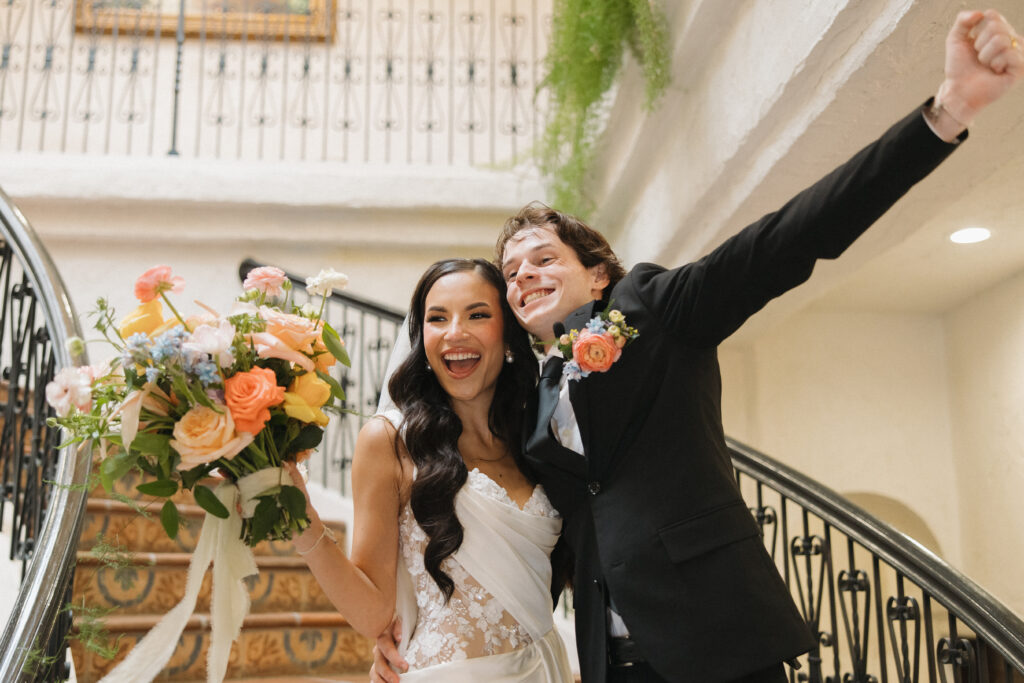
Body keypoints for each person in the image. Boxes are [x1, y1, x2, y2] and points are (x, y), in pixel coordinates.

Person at [373, 9, 1024, 683]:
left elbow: (788, 239)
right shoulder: (531, 396)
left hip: (718, 640)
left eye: (542, 258)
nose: (523, 276)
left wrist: (945, 113)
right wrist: (404, 633)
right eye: (510, 273)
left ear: (597, 272)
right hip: (613, 660)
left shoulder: (652, 309)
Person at [288, 258, 574, 682]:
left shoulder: (538, 435)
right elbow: (372, 613)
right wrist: (299, 516)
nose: (455, 332)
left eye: (478, 315)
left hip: (547, 670)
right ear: (422, 339)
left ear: (509, 336)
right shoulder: (389, 441)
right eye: (437, 318)